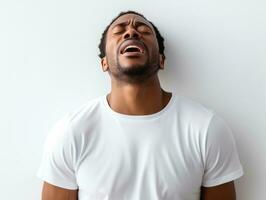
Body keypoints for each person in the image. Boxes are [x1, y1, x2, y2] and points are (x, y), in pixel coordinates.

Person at [37, 10, 244, 200]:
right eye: (119, 31)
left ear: (161, 60)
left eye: (143, 30)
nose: (131, 32)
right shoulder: (72, 132)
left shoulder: (206, 128)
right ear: (104, 63)